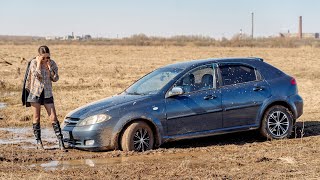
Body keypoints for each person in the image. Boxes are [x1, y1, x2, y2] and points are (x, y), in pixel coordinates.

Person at [24, 45, 65, 151]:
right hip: (35, 93)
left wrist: (50, 69)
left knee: (53, 117)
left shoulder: (52, 63)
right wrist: (38, 63)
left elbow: (55, 79)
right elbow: (36, 75)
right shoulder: (33, 63)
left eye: (48, 57)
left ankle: (61, 142)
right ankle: (39, 142)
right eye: (44, 57)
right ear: (39, 56)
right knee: (36, 117)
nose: (46, 59)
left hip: (47, 92)